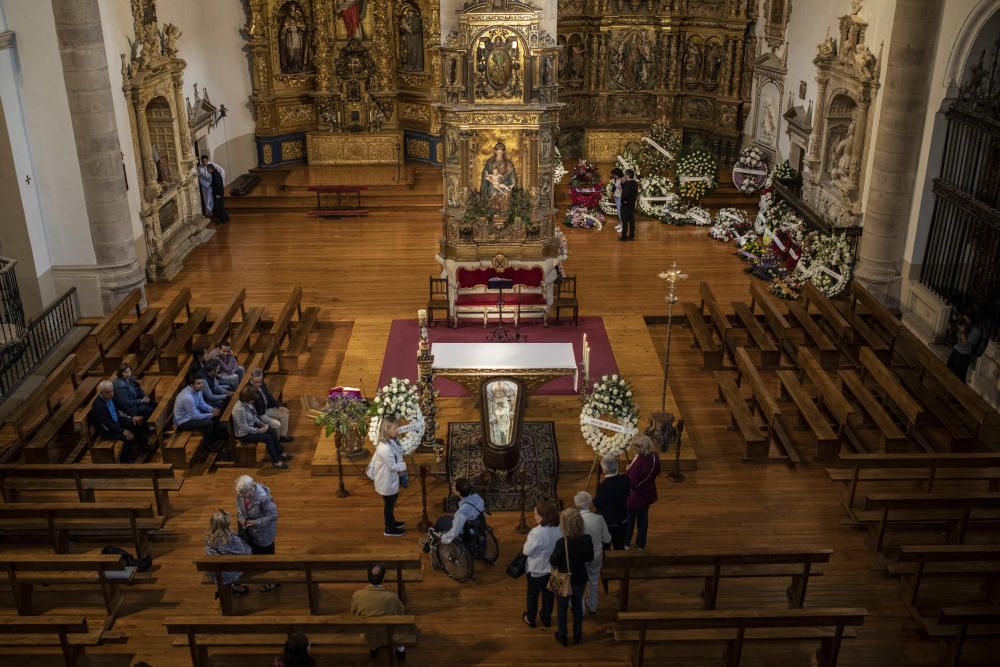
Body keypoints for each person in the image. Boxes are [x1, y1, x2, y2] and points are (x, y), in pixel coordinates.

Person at [351, 563, 413, 662]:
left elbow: (353, 613)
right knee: (402, 626)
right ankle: (400, 650)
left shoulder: (357, 595)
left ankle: (374, 648)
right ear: (383, 579)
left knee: (373, 629)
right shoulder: (391, 597)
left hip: (368, 634)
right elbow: (402, 612)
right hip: (389, 634)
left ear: (368, 577)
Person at [549, 508, 594, 646]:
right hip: (580, 578)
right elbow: (589, 558)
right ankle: (577, 634)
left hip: (564, 579)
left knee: (562, 610)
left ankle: (562, 636)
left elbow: (553, 561)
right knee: (577, 608)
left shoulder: (562, 542)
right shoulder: (587, 539)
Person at [235, 476, 280, 592]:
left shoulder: (264, 499)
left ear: (251, 489)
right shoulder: (241, 493)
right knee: (255, 556)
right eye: (240, 493)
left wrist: (256, 522)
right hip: (250, 531)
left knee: (267, 560)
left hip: (263, 534)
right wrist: (241, 518)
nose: (241, 495)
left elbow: (274, 516)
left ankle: (272, 582)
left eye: (244, 493)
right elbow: (239, 507)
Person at [521, 502, 561, 629]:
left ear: (543, 516)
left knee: (532, 595)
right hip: (551, 568)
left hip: (536, 570)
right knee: (548, 595)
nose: (534, 516)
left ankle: (531, 619)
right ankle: (546, 617)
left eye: (536, 514)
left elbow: (526, 551)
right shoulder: (558, 529)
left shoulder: (536, 532)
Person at [233, 385, 291, 469]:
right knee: (268, 438)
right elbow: (243, 427)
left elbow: (254, 416)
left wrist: (262, 424)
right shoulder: (239, 410)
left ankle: (280, 452)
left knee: (271, 430)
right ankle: (276, 461)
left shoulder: (248, 404)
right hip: (244, 434)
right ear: (247, 399)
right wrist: (259, 430)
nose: (253, 402)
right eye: (252, 400)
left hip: (252, 427)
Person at [90, 380, 147, 463]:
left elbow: (122, 407)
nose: (111, 394)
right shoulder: (98, 405)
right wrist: (123, 431)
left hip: (118, 422)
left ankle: (141, 448)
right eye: (108, 392)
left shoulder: (111, 397)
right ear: (101, 393)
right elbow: (107, 424)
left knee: (139, 423)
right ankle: (125, 460)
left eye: (112, 391)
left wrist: (132, 417)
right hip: (107, 430)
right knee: (129, 437)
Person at [369, 418, 408, 537]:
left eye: (397, 428)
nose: (397, 430)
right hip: (386, 481)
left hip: (389, 479)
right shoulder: (384, 448)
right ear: (386, 430)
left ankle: (392, 522)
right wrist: (404, 466)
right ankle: (389, 528)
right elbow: (392, 466)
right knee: (389, 505)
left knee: (391, 503)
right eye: (394, 428)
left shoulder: (391, 441)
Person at [574, 491, 611, 615]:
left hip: (580, 556)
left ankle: (581, 609)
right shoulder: (599, 518)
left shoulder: (575, 520)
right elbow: (607, 539)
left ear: (577, 505)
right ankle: (593, 605)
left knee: (579, 582)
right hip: (596, 554)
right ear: (590, 504)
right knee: (594, 580)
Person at [625, 435, 661, 551]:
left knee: (630, 520)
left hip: (635, 497)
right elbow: (657, 471)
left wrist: (627, 471)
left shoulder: (639, 464)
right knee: (643, 520)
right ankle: (641, 544)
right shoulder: (655, 457)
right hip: (647, 493)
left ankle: (626, 543)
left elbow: (631, 483)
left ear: (639, 448)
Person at [204, 509, 251, 597]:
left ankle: (222, 588)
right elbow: (246, 553)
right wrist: (246, 545)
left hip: (215, 571)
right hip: (229, 572)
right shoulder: (232, 539)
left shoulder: (209, 538)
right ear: (227, 524)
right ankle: (236, 587)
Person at [173, 374, 222, 450]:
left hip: (193, 414)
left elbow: (201, 404)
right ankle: (208, 445)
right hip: (184, 421)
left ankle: (216, 435)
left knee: (216, 410)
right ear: (191, 385)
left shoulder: (198, 390)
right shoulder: (187, 397)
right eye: (198, 383)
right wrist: (210, 414)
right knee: (208, 422)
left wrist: (212, 409)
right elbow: (195, 416)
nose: (202, 385)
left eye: (202, 383)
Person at [594, 455, 630, 550]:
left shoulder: (603, 486)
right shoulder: (625, 479)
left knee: (605, 545)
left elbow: (598, 504)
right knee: (620, 545)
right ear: (617, 466)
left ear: (604, 470)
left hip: (609, 521)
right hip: (622, 518)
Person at [437, 478, 485, 545]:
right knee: (446, 517)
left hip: (467, 530)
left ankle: (433, 541)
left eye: (454, 487)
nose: (452, 487)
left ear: (458, 492)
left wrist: (443, 538)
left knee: (440, 521)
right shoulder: (477, 497)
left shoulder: (462, 511)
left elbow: (455, 532)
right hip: (477, 524)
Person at [250, 368, 293, 442]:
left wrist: (279, 406)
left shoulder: (262, 384)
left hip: (268, 408)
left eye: (259, 382)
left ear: (262, 377)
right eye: (255, 382)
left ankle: (283, 436)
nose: (258, 384)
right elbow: (252, 410)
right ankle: (276, 441)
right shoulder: (249, 390)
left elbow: (269, 397)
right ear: (251, 379)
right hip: (260, 414)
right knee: (277, 424)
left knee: (285, 413)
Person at [947, 312, 983, 382]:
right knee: (948, 370)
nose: (965, 321)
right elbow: (948, 327)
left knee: (958, 377)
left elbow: (965, 343)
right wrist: (954, 325)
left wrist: (962, 332)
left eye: (967, 319)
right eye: (964, 318)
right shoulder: (964, 325)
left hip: (964, 356)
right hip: (956, 350)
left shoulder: (976, 330)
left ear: (972, 320)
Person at [619, 169, 638, 241]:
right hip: (632, 203)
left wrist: (623, 201)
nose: (624, 176)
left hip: (626, 204)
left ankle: (624, 237)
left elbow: (625, 193)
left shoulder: (627, 183)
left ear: (628, 175)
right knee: (632, 220)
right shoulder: (635, 183)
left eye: (625, 175)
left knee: (625, 220)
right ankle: (631, 236)